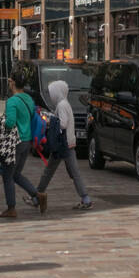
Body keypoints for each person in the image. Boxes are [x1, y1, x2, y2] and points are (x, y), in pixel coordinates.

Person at [35, 80, 92, 213]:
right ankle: (85, 198)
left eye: (52, 93)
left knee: (51, 172)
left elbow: (63, 124)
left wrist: (51, 121)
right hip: (67, 143)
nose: (51, 96)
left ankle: (37, 196)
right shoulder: (65, 104)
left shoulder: (61, 105)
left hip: (63, 144)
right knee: (71, 172)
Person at [0, 68, 41, 219]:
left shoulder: (12, 101)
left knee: (8, 176)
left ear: (12, 82)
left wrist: (0, 126)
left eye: (9, 80)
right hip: (27, 141)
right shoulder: (28, 99)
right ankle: (37, 195)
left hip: (15, 142)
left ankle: (11, 208)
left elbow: (9, 123)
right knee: (16, 174)